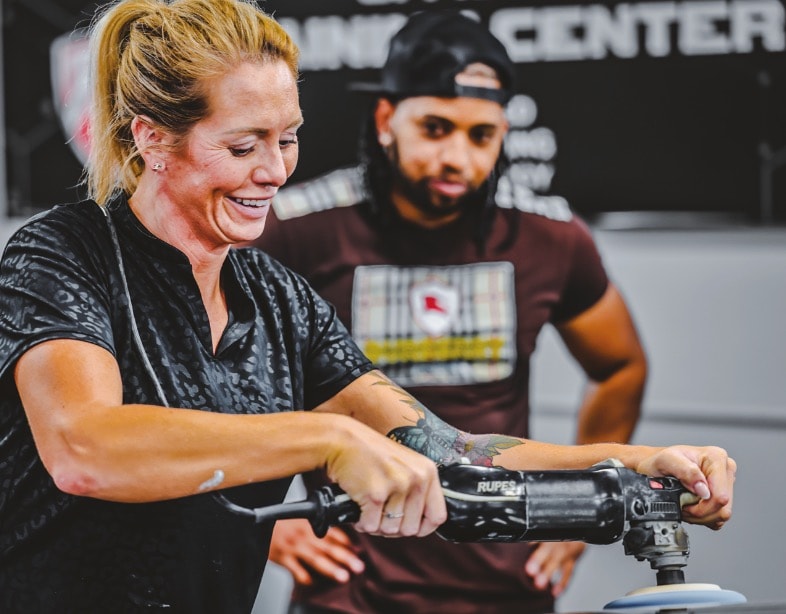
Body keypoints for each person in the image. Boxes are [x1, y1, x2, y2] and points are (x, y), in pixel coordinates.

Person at [0, 1, 734, 613]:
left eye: (287, 139)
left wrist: (639, 464)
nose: (274, 172)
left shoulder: (277, 299)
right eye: (243, 144)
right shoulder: (64, 254)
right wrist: (324, 438)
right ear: (153, 138)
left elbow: (451, 452)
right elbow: (86, 448)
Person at [253, 10, 652, 614]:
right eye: (436, 128)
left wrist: (575, 512)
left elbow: (621, 365)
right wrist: (265, 523)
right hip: (351, 593)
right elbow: (205, 387)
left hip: (505, 589)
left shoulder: (551, 238)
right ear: (387, 120)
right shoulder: (297, 231)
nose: (458, 158)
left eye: (481, 136)